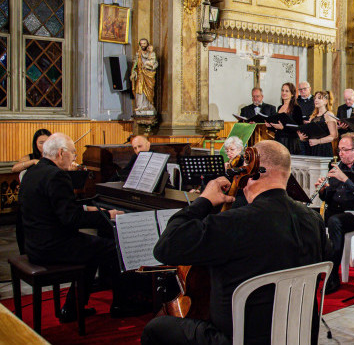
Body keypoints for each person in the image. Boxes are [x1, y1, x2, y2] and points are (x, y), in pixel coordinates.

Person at [141, 141, 330, 345]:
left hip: (238, 339)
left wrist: (203, 200)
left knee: (156, 328)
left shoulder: (233, 222)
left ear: (251, 173)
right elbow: (327, 257)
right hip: (299, 335)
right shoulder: (313, 220)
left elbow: (165, 247)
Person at [20, 133, 130, 322]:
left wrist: (91, 208)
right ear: (61, 153)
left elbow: (56, 208)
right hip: (53, 247)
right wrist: (107, 215)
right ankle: (122, 304)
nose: (74, 158)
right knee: (113, 248)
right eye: (73, 153)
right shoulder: (56, 175)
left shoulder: (33, 172)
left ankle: (72, 307)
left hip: (35, 243)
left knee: (92, 247)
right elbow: (72, 219)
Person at [314, 133, 354, 294]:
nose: (340, 153)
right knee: (309, 218)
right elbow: (328, 197)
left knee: (335, 221)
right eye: (339, 149)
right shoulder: (337, 166)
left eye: (344, 149)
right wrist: (323, 190)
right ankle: (315, 270)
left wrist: (346, 180)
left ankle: (333, 276)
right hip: (336, 212)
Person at [14, 128, 52, 252]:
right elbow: (14, 168)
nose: (43, 145)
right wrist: (33, 162)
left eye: (47, 142)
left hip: (46, 201)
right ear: (35, 143)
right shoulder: (30, 157)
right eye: (41, 142)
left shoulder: (53, 159)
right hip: (29, 200)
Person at [299, 90, 338, 157]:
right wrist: (303, 138)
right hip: (312, 148)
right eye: (315, 98)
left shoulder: (329, 114)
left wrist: (318, 141)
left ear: (326, 101)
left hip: (323, 148)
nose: (316, 100)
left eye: (319, 98)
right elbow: (310, 135)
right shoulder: (313, 116)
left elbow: (333, 136)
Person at [269, 82, 305, 155]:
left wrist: (283, 128)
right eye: (282, 90)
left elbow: (298, 127)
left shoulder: (296, 108)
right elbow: (278, 126)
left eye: (287, 91)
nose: (284, 93)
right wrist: (271, 126)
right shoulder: (279, 107)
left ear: (292, 94)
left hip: (291, 142)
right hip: (279, 140)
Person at [131, 38, 158, 114]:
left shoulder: (152, 53)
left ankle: (149, 105)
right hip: (140, 75)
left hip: (149, 75)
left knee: (149, 90)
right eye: (141, 44)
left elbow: (155, 63)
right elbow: (135, 65)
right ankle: (140, 106)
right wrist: (133, 73)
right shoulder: (138, 54)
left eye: (144, 44)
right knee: (139, 90)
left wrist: (150, 67)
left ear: (147, 44)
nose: (143, 45)